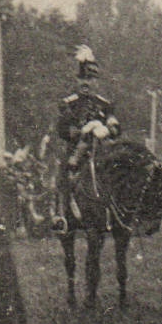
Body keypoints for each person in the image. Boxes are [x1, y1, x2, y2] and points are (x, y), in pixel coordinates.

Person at [52, 46, 120, 233]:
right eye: (82, 78)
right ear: (76, 80)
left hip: (100, 151)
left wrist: (107, 129)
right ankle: (61, 216)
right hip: (76, 153)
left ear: (96, 81)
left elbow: (115, 127)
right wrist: (81, 132)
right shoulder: (68, 103)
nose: (86, 83)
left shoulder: (104, 104)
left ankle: (119, 215)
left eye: (90, 79)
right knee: (63, 175)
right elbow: (62, 129)